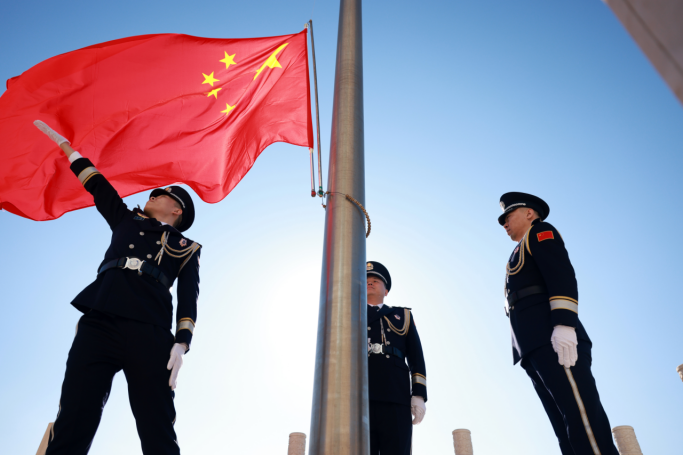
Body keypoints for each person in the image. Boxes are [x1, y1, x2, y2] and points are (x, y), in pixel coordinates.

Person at [34, 121, 201, 455]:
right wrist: (70, 150)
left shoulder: (187, 247)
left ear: (176, 209)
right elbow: (99, 186)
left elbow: (188, 299)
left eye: (161, 194)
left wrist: (182, 344)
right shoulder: (125, 219)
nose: (152, 195)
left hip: (150, 332)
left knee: (157, 426)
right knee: (74, 416)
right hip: (101, 321)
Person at [499, 192, 618, 455]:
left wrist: (564, 324)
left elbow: (560, 274)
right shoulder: (517, 250)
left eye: (508, 216)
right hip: (532, 345)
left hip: (554, 337)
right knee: (564, 428)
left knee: (581, 418)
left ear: (529, 213)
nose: (504, 223)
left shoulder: (541, 232)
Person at [366, 261, 427, 455]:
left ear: (386, 291)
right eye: (365, 280)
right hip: (359, 394)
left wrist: (418, 395)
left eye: (376, 280)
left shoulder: (403, 315)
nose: (370, 283)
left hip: (395, 394)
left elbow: (416, 357)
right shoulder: (348, 313)